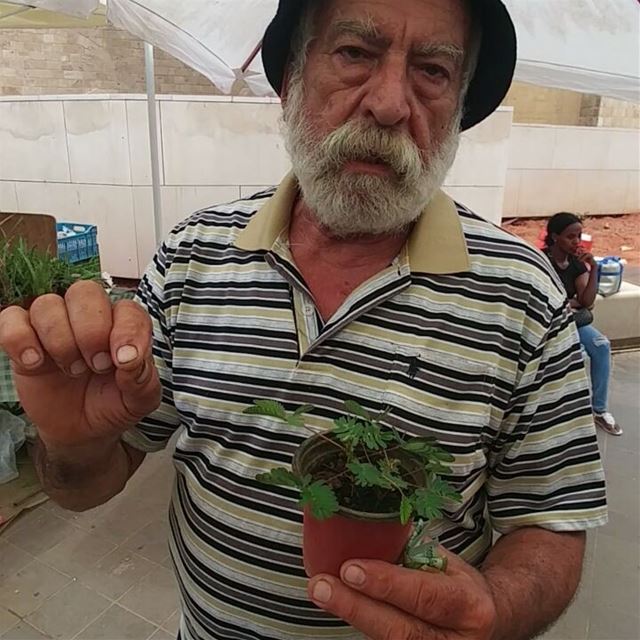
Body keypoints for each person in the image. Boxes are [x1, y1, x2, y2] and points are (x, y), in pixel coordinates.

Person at [0, 1, 607, 639]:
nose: (391, 104)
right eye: (354, 54)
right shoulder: (192, 256)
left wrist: (496, 610)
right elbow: (88, 482)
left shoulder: (522, 295)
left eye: (432, 71)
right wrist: (74, 443)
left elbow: (551, 520)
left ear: (456, 111)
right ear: (290, 81)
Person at [544, 212, 623, 436]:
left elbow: (587, 303)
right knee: (572, 354)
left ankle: (599, 410)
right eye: (570, 236)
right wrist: (570, 302)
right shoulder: (542, 260)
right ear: (555, 236)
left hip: (573, 322)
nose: (576, 241)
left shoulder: (576, 266)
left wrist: (593, 268)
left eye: (579, 236)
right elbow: (547, 297)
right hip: (550, 324)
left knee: (601, 345)